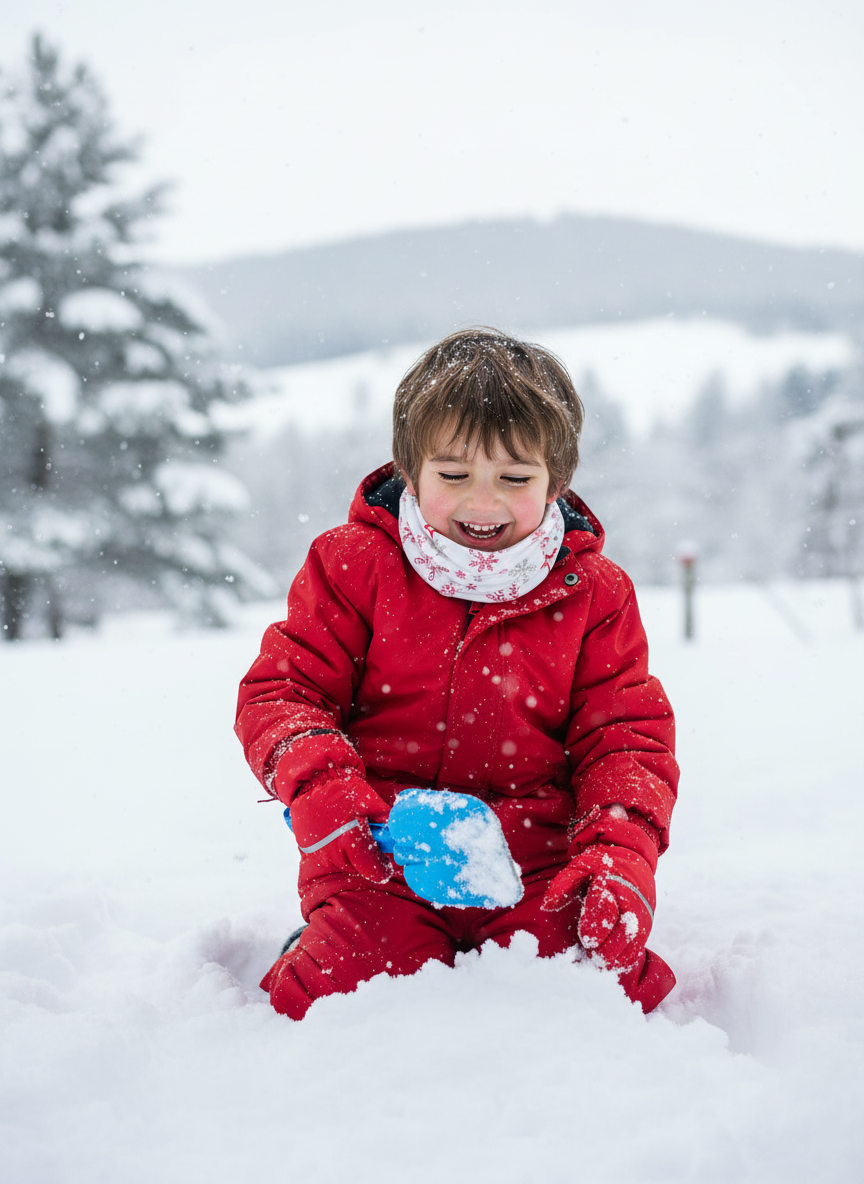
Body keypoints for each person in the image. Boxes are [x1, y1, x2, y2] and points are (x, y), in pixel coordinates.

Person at [235, 328, 679, 1018]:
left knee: (596, 989)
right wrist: (324, 792)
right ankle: (324, 945)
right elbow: (285, 693)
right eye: (453, 475)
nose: (482, 502)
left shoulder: (593, 592)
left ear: (556, 482)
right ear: (410, 471)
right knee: (339, 992)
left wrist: (620, 858)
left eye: (514, 478)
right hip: (378, 851)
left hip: (538, 863)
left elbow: (624, 740)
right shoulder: (353, 564)